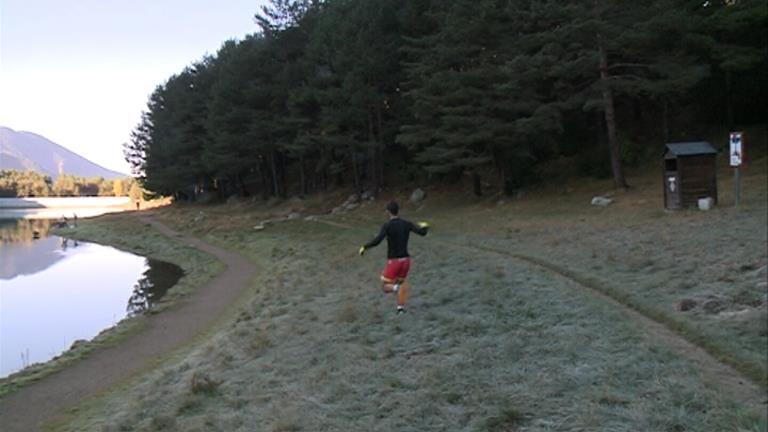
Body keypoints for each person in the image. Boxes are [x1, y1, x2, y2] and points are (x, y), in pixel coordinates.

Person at [359, 200, 430, 314]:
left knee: (385, 286)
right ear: (398, 211)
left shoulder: (387, 226)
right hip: (406, 261)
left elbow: (377, 241)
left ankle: (397, 289)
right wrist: (425, 226)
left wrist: (364, 247)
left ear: (388, 212)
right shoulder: (406, 223)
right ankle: (400, 309)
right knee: (400, 282)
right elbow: (422, 233)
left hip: (394, 262)